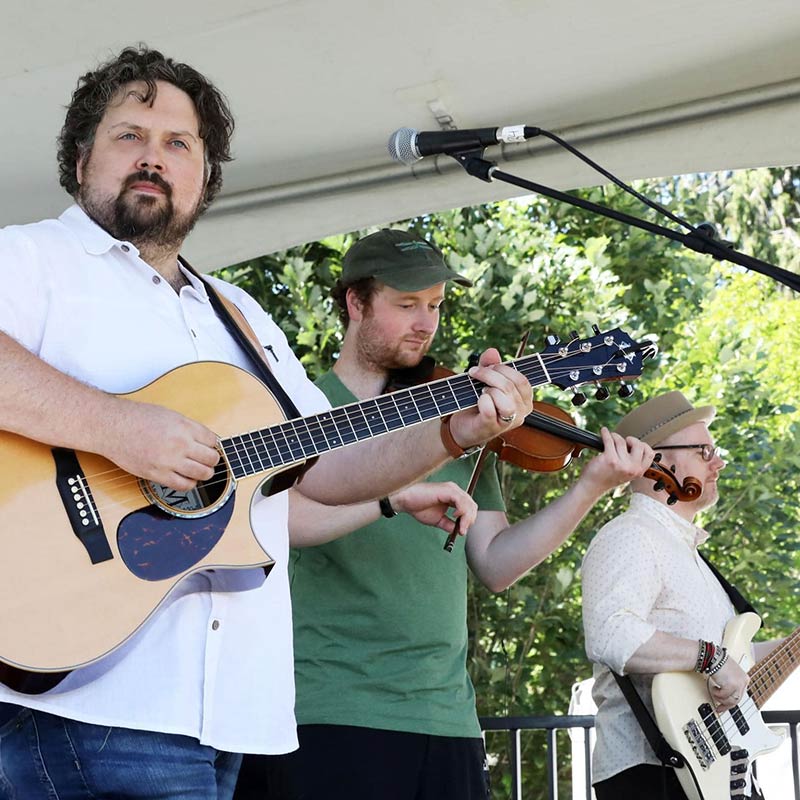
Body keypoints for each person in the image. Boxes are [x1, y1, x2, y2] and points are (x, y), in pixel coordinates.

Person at [0, 47, 533, 799]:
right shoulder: (32, 259)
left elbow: (329, 465)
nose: (154, 158)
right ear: (82, 155)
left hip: (232, 724)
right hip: (89, 706)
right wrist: (119, 430)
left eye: (179, 144)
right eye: (130, 136)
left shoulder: (240, 317)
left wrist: (453, 433)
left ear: (206, 177)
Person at [234, 228, 656, 800]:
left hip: (448, 719)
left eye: (434, 305)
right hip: (330, 708)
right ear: (355, 303)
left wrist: (589, 488)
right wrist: (389, 500)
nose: (425, 323)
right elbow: (281, 522)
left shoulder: (462, 419)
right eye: (406, 304)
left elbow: (496, 563)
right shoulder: (303, 409)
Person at [581, 391, 781, 799]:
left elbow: (734, 663)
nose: (718, 462)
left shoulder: (688, 554)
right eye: (704, 450)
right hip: (650, 773)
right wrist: (711, 658)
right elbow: (609, 633)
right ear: (659, 461)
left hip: (718, 772)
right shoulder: (631, 535)